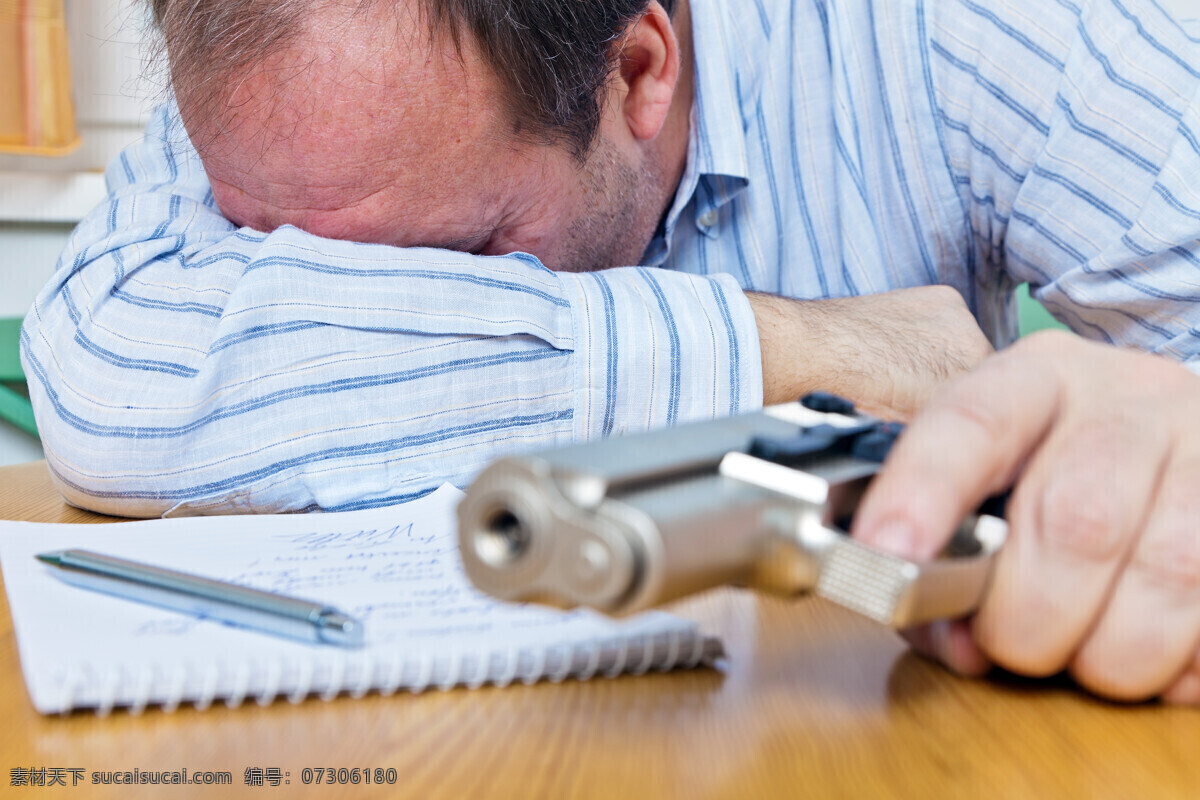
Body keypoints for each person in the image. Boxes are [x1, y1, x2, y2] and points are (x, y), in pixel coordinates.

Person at [19, 0, 1200, 703]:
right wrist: (778, 346)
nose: (365, 304)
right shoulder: (274, 72)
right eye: (283, 260)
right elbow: (112, 372)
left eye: (454, 258)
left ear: (640, 68)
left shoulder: (966, 31)